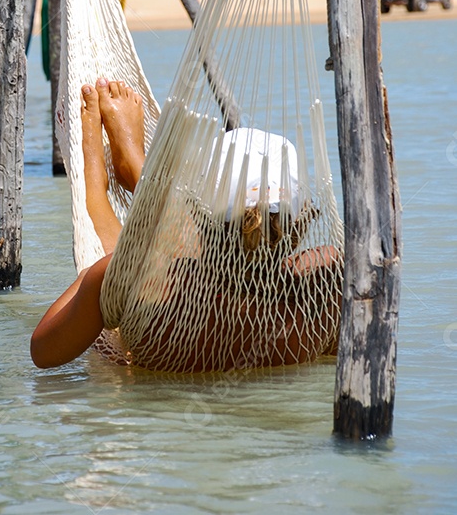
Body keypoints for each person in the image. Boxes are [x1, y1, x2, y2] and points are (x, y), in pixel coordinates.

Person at [30, 78, 340, 371]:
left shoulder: (156, 283)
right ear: (301, 222)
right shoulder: (323, 282)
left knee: (130, 268)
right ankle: (136, 172)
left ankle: (98, 191)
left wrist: (95, 278)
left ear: (195, 213)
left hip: (159, 351)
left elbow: (44, 353)